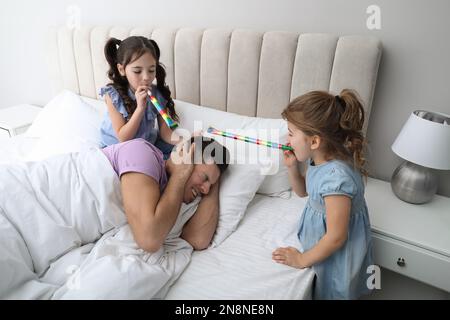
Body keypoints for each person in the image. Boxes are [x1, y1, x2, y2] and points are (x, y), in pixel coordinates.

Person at [272, 89, 373, 300]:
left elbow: (336, 237)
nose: (287, 139)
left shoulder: (336, 179)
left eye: (291, 133)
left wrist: (301, 260)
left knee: (333, 293)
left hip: (338, 254)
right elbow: (303, 193)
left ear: (315, 142)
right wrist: (292, 168)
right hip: (323, 242)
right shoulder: (319, 160)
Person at [102, 136, 230, 252]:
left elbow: (198, 239)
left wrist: (215, 179)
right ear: (184, 155)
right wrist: (180, 174)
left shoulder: (171, 196)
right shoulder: (142, 154)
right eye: (204, 178)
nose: (206, 190)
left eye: (211, 185)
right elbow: (149, 239)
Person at [100, 36, 179, 159]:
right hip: (119, 148)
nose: (146, 77)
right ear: (122, 69)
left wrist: (185, 140)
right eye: (137, 71)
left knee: (179, 151)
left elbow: (165, 132)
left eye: (151, 70)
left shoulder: (156, 94)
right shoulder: (113, 95)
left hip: (145, 144)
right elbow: (123, 137)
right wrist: (140, 108)